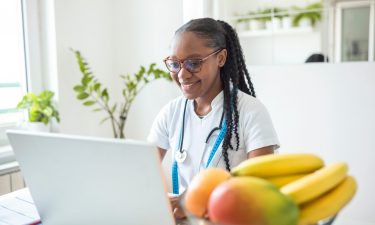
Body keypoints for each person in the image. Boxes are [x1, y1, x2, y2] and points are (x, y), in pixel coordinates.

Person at [147, 18, 280, 219]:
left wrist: (189, 202)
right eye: (175, 64)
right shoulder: (171, 112)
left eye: (193, 63)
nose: (182, 74)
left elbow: (260, 188)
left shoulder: (251, 111)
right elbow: (142, 171)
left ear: (221, 58)